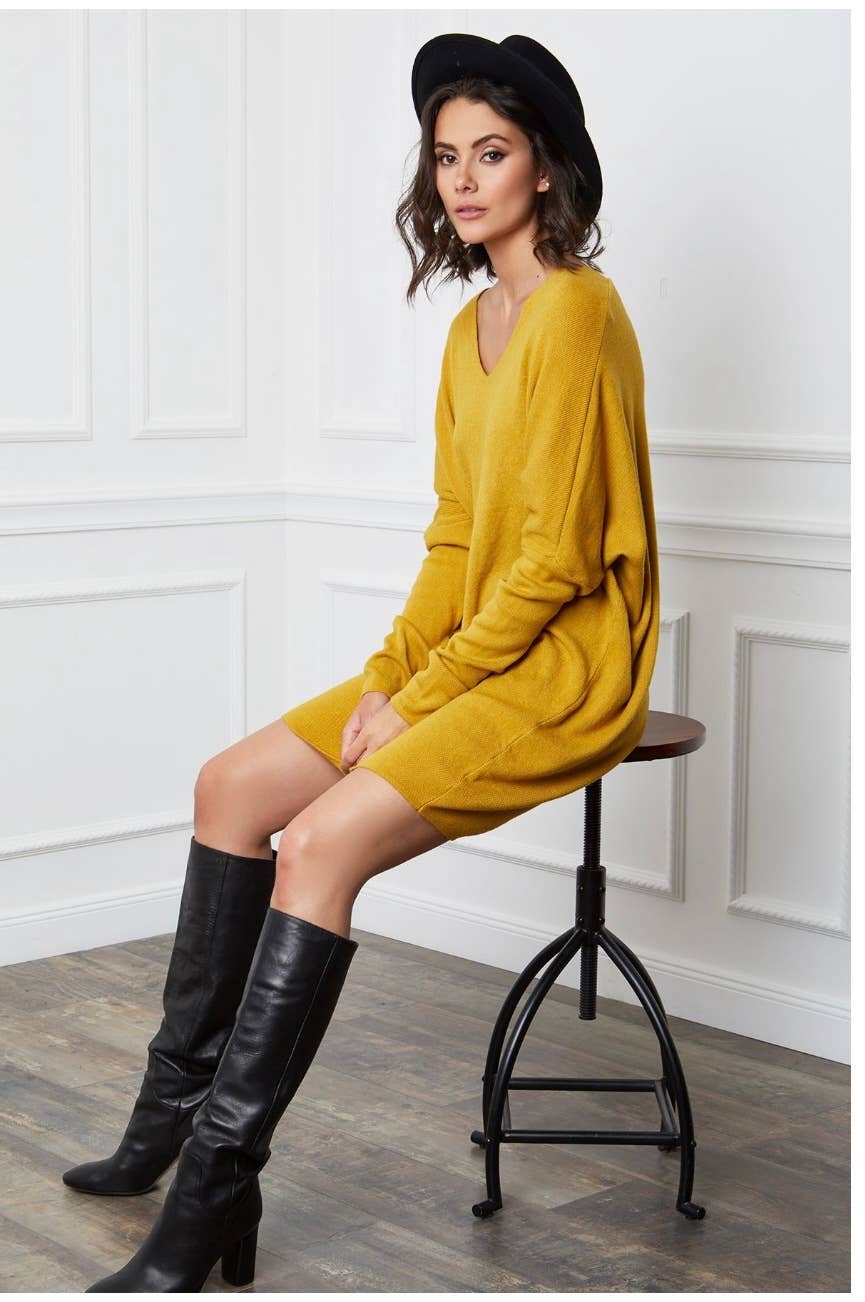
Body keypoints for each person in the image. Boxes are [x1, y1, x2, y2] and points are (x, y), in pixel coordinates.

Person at [66, 32, 660, 1292]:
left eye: (490, 153)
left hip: (564, 664)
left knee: (323, 840)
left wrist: (427, 698)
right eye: (446, 156)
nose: (461, 179)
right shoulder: (473, 329)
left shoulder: (577, 315)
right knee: (233, 786)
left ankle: (217, 1196)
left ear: (545, 169)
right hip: (474, 646)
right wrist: (392, 678)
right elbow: (458, 541)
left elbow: (553, 567)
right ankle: (170, 1124)